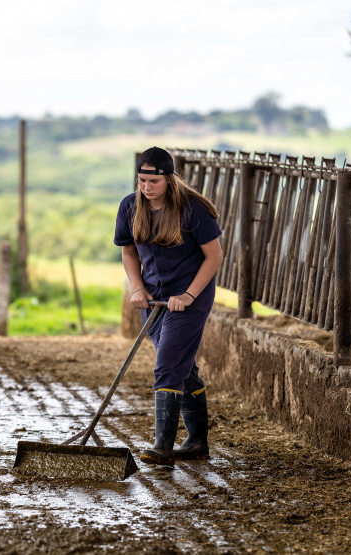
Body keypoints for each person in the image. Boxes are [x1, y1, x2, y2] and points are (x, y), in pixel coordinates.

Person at [113, 146, 223, 466]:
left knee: (167, 365)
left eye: (154, 181)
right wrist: (138, 288)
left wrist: (188, 296)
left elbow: (214, 257)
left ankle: (163, 446)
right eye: (142, 180)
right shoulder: (130, 207)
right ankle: (197, 442)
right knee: (180, 366)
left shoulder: (191, 209)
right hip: (155, 299)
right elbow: (129, 252)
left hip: (190, 296)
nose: (147, 188)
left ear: (169, 179)